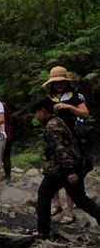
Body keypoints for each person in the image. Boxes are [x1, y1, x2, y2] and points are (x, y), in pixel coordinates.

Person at [32, 96, 99, 239]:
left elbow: (62, 149)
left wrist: (70, 171)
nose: (36, 116)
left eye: (36, 113)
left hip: (63, 168)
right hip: (73, 165)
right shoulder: (58, 121)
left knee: (44, 196)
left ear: (42, 111)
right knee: (80, 199)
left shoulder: (52, 126)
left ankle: (43, 231)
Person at [44, 66, 90, 224]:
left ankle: (70, 210)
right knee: (52, 171)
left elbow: (85, 114)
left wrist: (70, 107)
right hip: (53, 141)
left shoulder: (75, 95)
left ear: (66, 81)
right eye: (55, 83)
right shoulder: (48, 96)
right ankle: (55, 204)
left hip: (72, 140)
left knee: (70, 174)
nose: (58, 85)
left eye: (61, 82)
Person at [1, 101, 13, 183]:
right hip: (7, 133)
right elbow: (9, 119)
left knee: (2, 156)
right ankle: (8, 177)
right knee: (6, 157)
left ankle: (6, 177)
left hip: (1, 134)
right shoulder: (3, 105)